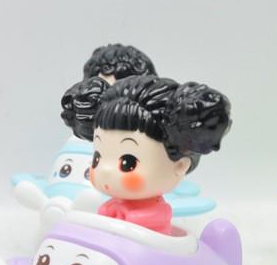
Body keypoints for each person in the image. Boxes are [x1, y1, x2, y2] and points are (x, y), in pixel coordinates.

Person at [61, 74, 231, 234]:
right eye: (97, 158)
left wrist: (128, 217)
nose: (105, 170)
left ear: (180, 166)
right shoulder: (113, 203)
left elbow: (153, 219)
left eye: (128, 163)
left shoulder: (158, 209)